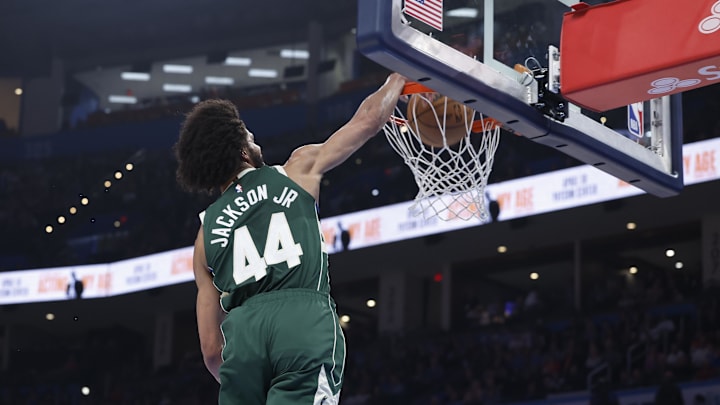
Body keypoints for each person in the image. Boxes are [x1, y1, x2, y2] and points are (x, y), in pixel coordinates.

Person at [173, 72, 407, 404]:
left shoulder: (203, 234)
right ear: (242, 152)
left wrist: (243, 369)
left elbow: (211, 350)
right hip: (301, 322)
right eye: (251, 137)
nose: (257, 141)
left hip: (242, 340)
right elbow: (367, 121)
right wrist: (397, 80)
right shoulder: (296, 169)